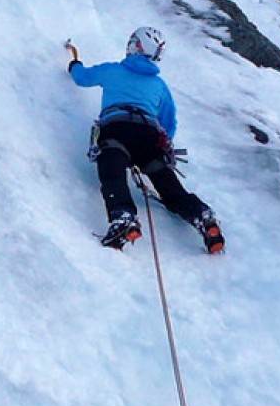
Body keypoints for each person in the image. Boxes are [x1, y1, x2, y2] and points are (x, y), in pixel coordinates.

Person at [66, 27, 224, 253]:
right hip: (149, 137)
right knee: (170, 188)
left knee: (113, 174)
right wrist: (163, 145)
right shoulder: (159, 86)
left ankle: (123, 216)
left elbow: (82, 78)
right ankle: (201, 215)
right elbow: (169, 122)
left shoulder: (113, 70)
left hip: (116, 130)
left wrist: (74, 64)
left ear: (135, 46)